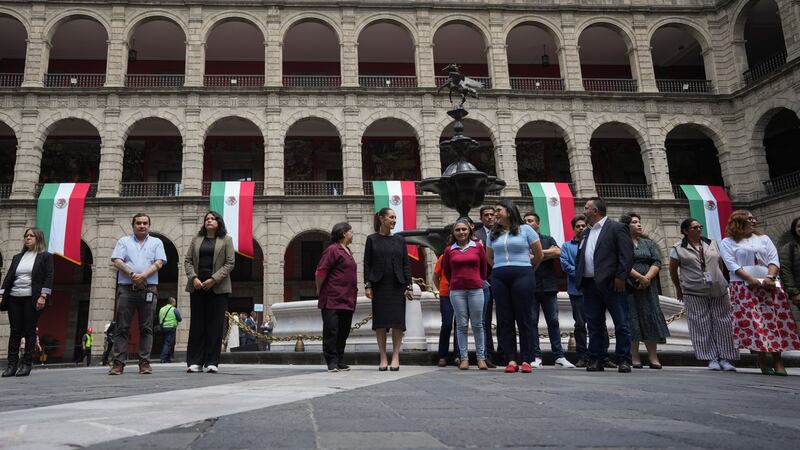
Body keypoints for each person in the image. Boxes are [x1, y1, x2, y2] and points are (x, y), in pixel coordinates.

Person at [720, 210, 800, 375]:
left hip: (769, 286)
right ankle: (763, 359)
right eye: (750, 219)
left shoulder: (763, 239)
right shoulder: (727, 242)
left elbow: (773, 258)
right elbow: (731, 264)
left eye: (754, 218)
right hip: (743, 287)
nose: (754, 221)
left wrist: (770, 277)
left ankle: (778, 361)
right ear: (739, 221)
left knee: (774, 323)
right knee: (754, 324)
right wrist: (750, 279)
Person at [668, 218, 738, 371]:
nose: (699, 229)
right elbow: (673, 270)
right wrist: (679, 288)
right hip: (693, 290)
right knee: (701, 323)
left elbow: (719, 263)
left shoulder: (711, 243)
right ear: (685, 231)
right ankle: (711, 357)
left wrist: (720, 279)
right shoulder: (678, 248)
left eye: (700, 227)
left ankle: (726, 357)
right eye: (694, 228)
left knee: (724, 322)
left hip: (718, 288)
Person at [575, 197, 634, 373]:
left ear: (596, 211)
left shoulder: (617, 228)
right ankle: (596, 358)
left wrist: (620, 277)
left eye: (586, 208)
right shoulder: (585, 232)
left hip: (611, 283)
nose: (583, 211)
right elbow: (581, 255)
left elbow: (626, 255)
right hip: (589, 284)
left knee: (621, 322)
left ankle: (623, 359)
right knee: (593, 324)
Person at [485, 199, 543, 374]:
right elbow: (489, 257)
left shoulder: (526, 230)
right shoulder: (493, 234)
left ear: (509, 212)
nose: (495, 213)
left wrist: (530, 268)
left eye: (498, 210)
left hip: (523, 274)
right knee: (504, 319)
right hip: (500, 276)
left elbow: (538, 254)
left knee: (524, 317)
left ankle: (527, 359)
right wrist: (499, 268)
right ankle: (510, 359)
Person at [109, 213, 167, 375]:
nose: (142, 226)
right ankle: (118, 363)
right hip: (126, 289)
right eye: (138, 223)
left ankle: (145, 363)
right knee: (122, 327)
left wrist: (143, 276)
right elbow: (117, 261)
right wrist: (133, 274)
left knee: (147, 328)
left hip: (149, 289)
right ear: (133, 225)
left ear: (149, 225)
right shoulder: (123, 241)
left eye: (145, 223)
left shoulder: (157, 242)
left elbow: (159, 262)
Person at [184, 210, 235, 374]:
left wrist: (213, 279)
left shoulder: (226, 240)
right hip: (198, 286)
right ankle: (194, 361)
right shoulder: (196, 240)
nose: (209, 221)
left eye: (213, 219)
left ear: (218, 222)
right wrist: (193, 278)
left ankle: (212, 361)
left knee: (215, 325)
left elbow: (230, 263)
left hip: (218, 288)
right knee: (197, 324)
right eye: (207, 219)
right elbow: (188, 260)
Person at [364, 207, 413, 371]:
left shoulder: (400, 240)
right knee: (380, 323)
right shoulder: (371, 239)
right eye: (391, 217)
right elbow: (367, 264)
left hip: (397, 285)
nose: (394, 220)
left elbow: (406, 264)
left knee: (397, 323)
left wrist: (409, 285)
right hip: (379, 285)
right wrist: (368, 285)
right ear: (382, 219)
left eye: (395, 217)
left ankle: (396, 356)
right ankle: (383, 356)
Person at [1, 228, 54, 377]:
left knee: (29, 330)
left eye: (31, 236)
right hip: (14, 297)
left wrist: (43, 295)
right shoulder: (18, 257)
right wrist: (1, 294)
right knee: (15, 331)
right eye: (26, 236)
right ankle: (11, 365)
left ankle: (26, 364)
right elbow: (9, 277)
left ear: (38, 239)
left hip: (32, 298)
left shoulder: (45, 257)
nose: (28, 238)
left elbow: (49, 276)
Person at [523, 212, 574, 369]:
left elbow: (558, 252)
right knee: (532, 322)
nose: (527, 223)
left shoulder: (548, 238)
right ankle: (536, 355)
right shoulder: (521, 241)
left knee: (553, 321)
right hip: (530, 286)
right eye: (525, 221)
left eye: (530, 221)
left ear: (538, 224)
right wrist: (546, 253)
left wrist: (536, 254)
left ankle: (559, 355)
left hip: (549, 286)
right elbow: (525, 256)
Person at [619, 212, 669, 369]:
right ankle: (635, 356)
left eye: (639, 222)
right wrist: (639, 278)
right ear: (627, 225)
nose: (639, 224)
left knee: (650, 316)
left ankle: (653, 357)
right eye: (634, 222)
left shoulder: (648, 243)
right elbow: (622, 262)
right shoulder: (621, 243)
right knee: (632, 318)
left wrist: (647, 278)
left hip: (648, 286)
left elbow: (656, 261)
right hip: (630, 285)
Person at [443, 218, 489, 370]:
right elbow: (447, 271)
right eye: (458, 230)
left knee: (478, 324)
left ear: (469, 230)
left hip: (476, 289)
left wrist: (477, 280)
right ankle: (464, 358)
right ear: (454, 232)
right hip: (457, 291)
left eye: (464, 229)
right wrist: (456, 282)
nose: (461, 232)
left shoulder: (477, 247)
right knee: (461, 325)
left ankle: (481, 358)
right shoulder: (449, 250)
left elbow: (484, 268)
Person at [315, 222, 358, 372]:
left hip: (347, 299)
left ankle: (339, 359)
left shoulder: (348, 251)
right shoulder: (332, 250)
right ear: (343, 233)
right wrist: (320, 289)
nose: (353, 234)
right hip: (332, 298)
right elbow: (321, 272)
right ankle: (331, 361)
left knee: (343, 331)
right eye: (351, 232)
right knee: (331, 330)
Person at [560, 215, 590, 367]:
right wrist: (582, 274)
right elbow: (565, 264)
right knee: (579, 324)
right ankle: (582, 356)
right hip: (576, 290)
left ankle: (601, 355)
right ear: (574, 229)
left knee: (598, 323)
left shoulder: (593, 244)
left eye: (583, 226)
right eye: (577, 226)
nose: (580, 228)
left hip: (593, 290)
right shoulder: (566, 246)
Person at [473, 205, 497, 367]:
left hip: (502, 279)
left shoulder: (504, 233)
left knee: (505, 317)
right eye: (486, 215)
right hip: (483, 281)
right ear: (481, 218)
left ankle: (505, 352)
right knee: (484, 320)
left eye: (492, 215)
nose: (489, 217)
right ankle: (487, 354)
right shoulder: (475, 236)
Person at [433, 225, 460, 367]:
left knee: (459, 325)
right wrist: (442, 289)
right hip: (446, 294)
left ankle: (458, 355)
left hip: (461, 292)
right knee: (447, 324)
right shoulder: (443, 257)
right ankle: (442, 355)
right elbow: (435, 276)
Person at [779, 216, 800, 310]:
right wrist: (794, 293)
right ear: (794, 229)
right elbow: (785, 271)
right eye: (799, 226)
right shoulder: (788, 248)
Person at [158, 297, 182, 363]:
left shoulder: (162, 309)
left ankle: (167, 359)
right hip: (171, 327)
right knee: (168, 343)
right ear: (173, 302)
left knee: (166, 342)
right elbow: (179, 318)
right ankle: (163, 358)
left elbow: (160, 318)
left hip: (163, 327)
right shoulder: (174, 309)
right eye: (175, 302)